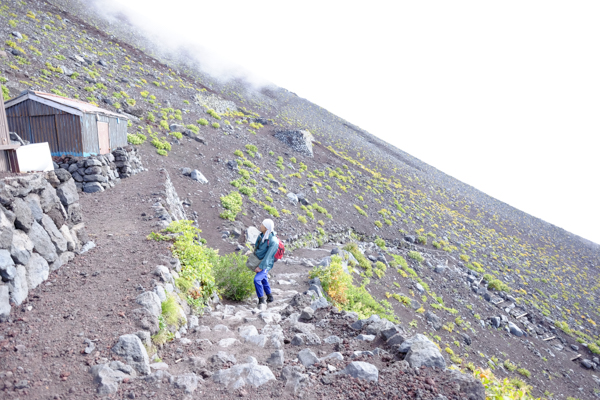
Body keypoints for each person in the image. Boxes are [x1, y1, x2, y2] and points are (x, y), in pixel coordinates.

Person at [253, 219, 278, 306]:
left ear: (266, 228)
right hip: (260, 261)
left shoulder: (273, 241)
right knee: (264, 279)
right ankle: (270, 296)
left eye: (262, 225)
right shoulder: (262, 236)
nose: (260, 226)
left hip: (265, 264)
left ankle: (261, 300)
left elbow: (268, 256)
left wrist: (260, 267)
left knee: (257, 280)